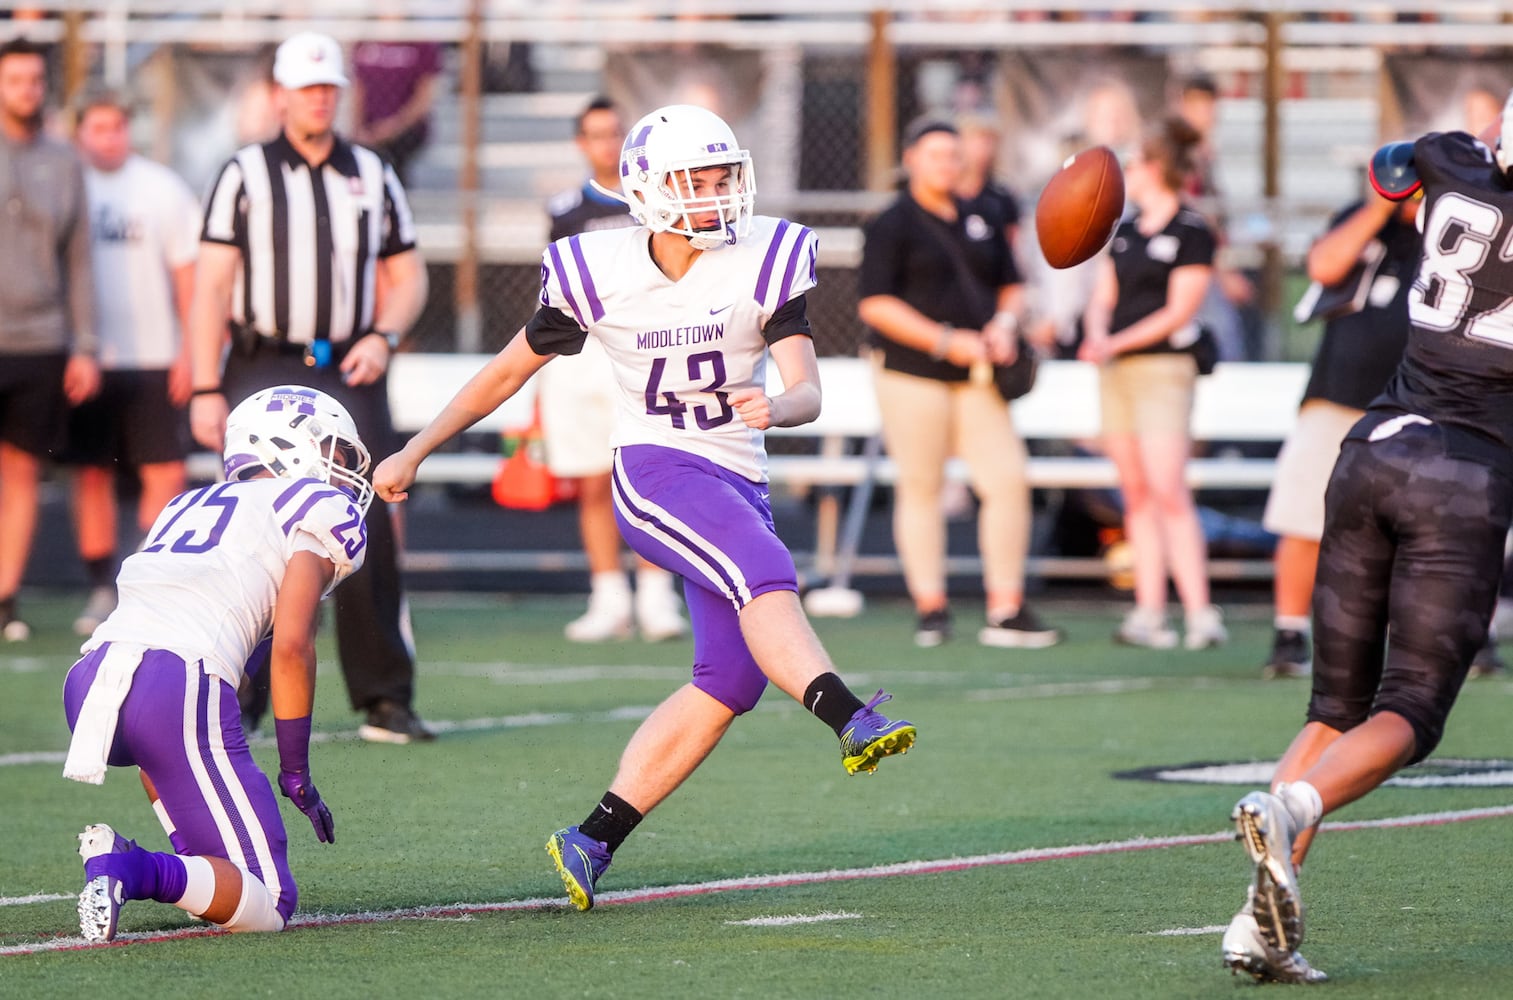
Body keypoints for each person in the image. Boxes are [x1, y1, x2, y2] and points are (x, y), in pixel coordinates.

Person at [373, 103, 918, 911]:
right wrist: (417, 448)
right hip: (657, 472)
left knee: (727, 681)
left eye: (722, 176)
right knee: (765, 569)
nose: (715, 194)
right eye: (694, 181)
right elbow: (503, 373)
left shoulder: (762, 255)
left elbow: (803, 381)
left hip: (738, 480)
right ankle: (849, 717)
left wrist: (787, 404)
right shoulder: (600, 270)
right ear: (648, 190)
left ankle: (591, 836)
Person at [1221, 109, 1513, 985]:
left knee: (1331, 708)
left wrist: (1459, 156)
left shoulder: (1453, 162)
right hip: (1462, 474)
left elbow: (1392, 172)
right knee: (1411, 711)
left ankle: (1255, 925)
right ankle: (1293, 803)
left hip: (1370, 449)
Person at [188, 31, 433, 744]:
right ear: (281, 94)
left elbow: (409, 274)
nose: (318, 98)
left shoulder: (373, 170)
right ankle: (241, 694)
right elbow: (210, 287)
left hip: (345, 364)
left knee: (369, 519)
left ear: (339, 94)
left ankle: (385, 695)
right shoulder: (243, 173)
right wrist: (205, 384)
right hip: (262, 362)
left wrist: (382, 335)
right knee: (251, 527)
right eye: (306, 87)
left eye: (328, 88)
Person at [63, 385, 370, 943]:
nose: (344, 470)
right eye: (334, 452)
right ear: (288, 448)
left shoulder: (187, 503)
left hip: (90, 681)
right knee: (271, 904)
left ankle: (199, 870)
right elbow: (293, 643)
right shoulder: (319, 504)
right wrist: (296, 771)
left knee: (221, 865)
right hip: (173, 687)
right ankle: (126, 866)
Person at [857, 119, 1060, 650]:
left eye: (953, 154)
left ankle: (1006, 606)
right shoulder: (893, 223)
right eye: (935, 154)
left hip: (977, 374)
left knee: (1007, 479)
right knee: (921, 486)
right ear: (912, 159)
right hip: (913, 372)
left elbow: (1011, 285)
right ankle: (932, 605)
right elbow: (876, 304)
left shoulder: (983, 213)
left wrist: (1003, 325)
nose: (947, 163)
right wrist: (944, 340)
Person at [538, 96, 686, 643]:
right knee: (593, 479)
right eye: (595, 134)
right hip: (586, 352)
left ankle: (656, 594)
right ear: (582, 142)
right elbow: (557, 289)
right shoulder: (565, 208)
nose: (606, 144)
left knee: (649, 476)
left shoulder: (658, 200)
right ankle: (608, 595)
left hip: (647, 348)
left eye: (614, 133)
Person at [1079, 116, 1228, 651]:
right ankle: (1148, 612)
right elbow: (1104, 296)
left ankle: (1200, 612)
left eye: (1136, 163)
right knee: (1136, 493)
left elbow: (1179, 309)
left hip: (1164, 368)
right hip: (1117, 371)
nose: (1128, 173)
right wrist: (1098, 334)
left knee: (1168, 489)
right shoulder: (1123, 232)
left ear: (1158, 167)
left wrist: (1115, 342)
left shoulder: (1191, 230)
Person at [1260, 191, 1420, 678]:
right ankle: (1290, 631)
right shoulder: (1365, 216)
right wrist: (1379, 206)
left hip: (1421, 403)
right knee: (1305, 517)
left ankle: (1448, 638)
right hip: (1338, 393)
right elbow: (1325, 266)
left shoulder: (1460, 219)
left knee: (1429, 530)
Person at [65, 88, 201, 637]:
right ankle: (102, 586)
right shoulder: (67, 185)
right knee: (91, 471)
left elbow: (189, 278)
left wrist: (192, 350)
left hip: (154, 356)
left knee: (164, 469)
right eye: (97, 128)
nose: (108, 138)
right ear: (79, 132)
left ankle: (143, 582)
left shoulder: (161, 188)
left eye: (117, 127)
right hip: (89, 355)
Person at [0, 36, 99, 641]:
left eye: (35, 80)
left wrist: (85, 344)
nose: (27, 91)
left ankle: (4, 597)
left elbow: (81, 260)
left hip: (40, 341)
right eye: (14, 80)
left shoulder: (65, 163)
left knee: (20, 473)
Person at [348, 29, 443, 186]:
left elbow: (425, 97)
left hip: (405, 130)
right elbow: (358, 89)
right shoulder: (365, 39)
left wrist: (393, 127)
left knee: (391, 166)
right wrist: (359, 128)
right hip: (370, 127)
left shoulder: (419, 43)